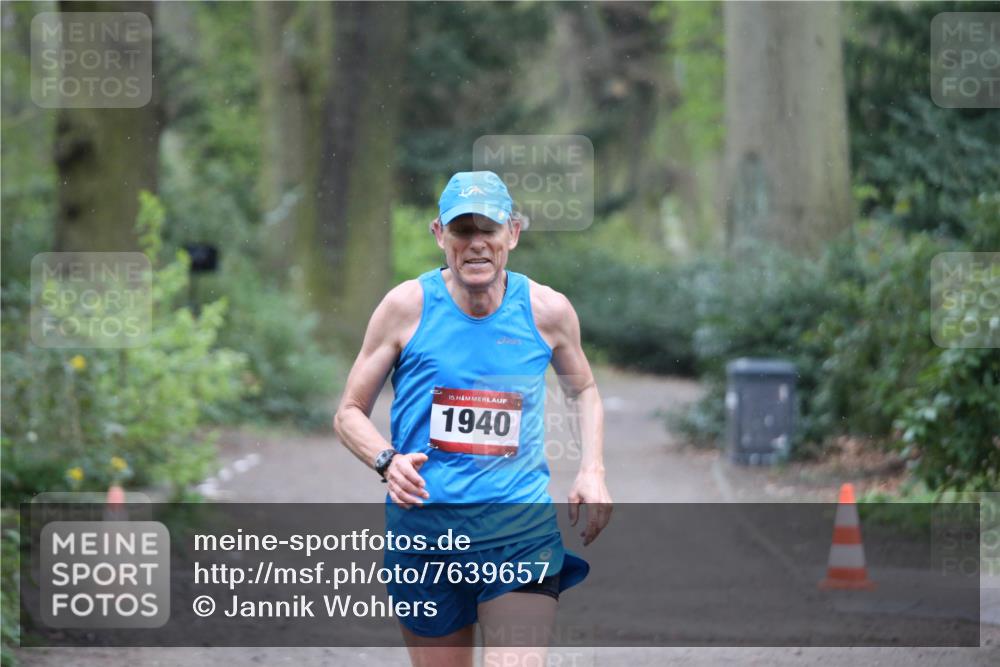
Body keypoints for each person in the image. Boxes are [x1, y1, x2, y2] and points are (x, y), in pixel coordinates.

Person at [334, 170, 611, 667]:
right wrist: (385, 459)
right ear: (440, 235)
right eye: (463, 230)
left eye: (490, 228)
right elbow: (349, 412)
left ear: (514, 233)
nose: (477, 243)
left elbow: (584, 389)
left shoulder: (547, 311)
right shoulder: (405, 308)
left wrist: (592, 470)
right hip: (426, 536)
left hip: (518, 535)